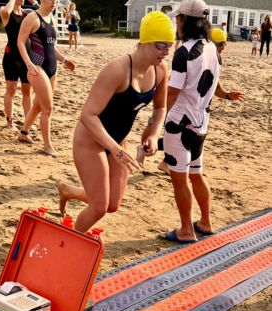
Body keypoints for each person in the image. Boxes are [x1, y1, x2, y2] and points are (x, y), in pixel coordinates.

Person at [57, 11, 175, 233]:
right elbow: (88, 115)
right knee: (99, 207)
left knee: (112, 204)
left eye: (169, 46)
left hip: (119, 141)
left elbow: (160, 108)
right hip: (91, 140)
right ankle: (70, 244)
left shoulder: (160, 71)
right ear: (145, 41)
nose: (166, 52)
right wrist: (115, 149)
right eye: (161, 45)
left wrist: (153, 135)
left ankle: (69, 192)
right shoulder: (118, 70)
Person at [141, 26, 244, 175]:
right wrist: (162, 110)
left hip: (195, 112)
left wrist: (228, 95)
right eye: (221, 43)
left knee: (185, 140)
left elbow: (214, 86)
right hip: (177, 106)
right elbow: (175, 84)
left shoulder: (214, 58)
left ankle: (165, 162)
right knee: (155, 127)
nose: (224, 47)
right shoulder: (194, 54)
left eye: (224, 44)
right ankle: (143, 153)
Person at [158, 0, 221, 243]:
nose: (176, 22)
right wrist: (224, 94)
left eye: (178, 18)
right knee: (197, 173)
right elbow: (214, 82)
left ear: (185, 20)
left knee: (180, 178)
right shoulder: (212, 48)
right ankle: (205, 222)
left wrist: (156, 120)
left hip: (180, 124)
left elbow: (172, 93)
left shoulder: (184, 52)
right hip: (201, 122)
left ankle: (186, 229)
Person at [17, 0, 75, 155]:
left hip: (52, 69)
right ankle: (47, 145)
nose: (54, 2)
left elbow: (51, 46)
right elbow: (20, 42)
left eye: (56, 0)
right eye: (51, 0)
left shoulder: (52, 19)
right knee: (47, 108)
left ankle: (23, 133)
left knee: (37, 106)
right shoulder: (32, 18)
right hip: (36, 68)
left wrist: (63, 60)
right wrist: (29, 64)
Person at [0, 0, 38, 129]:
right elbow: (5, 11)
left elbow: (43, 16)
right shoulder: (4, 11)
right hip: (12, 57)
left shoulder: (28, 14)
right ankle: (9, 121)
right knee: (11, 89)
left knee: (27, 90)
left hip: (27, 57)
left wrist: (34, 2)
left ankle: (28, 121)